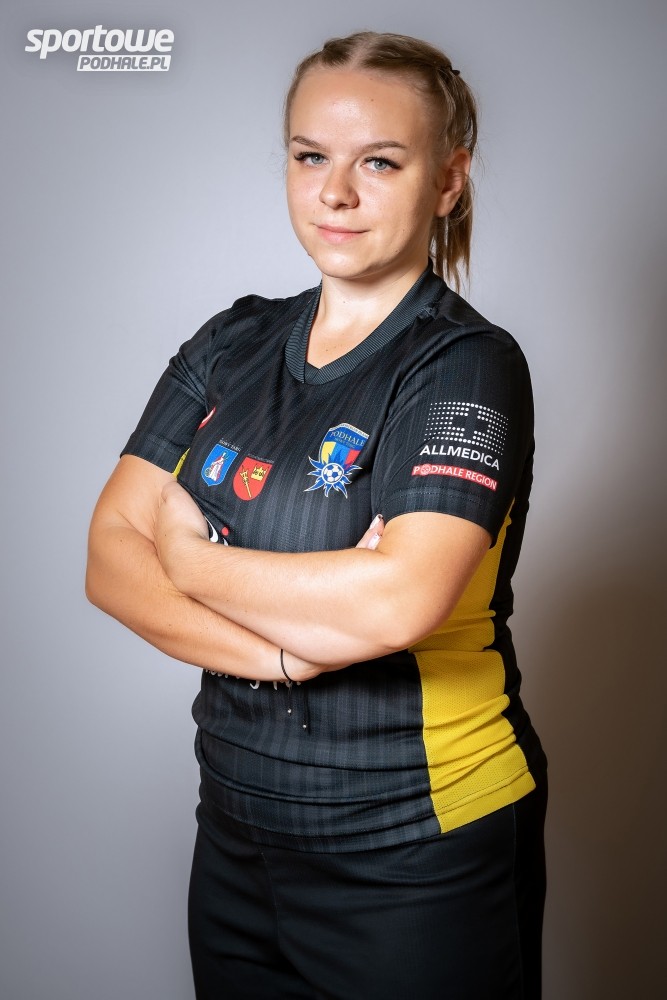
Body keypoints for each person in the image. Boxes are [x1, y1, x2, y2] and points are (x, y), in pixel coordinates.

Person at [86, 30, 548, 1000]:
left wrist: (190, 557)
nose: (334, 192)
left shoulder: (463, 364)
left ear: (447, 180)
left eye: (379, 162)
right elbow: (109, 560)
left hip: (414, 849)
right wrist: (291, 651)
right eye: (309, 156)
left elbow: (394, 603)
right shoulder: (232, 342)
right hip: (236, 837)